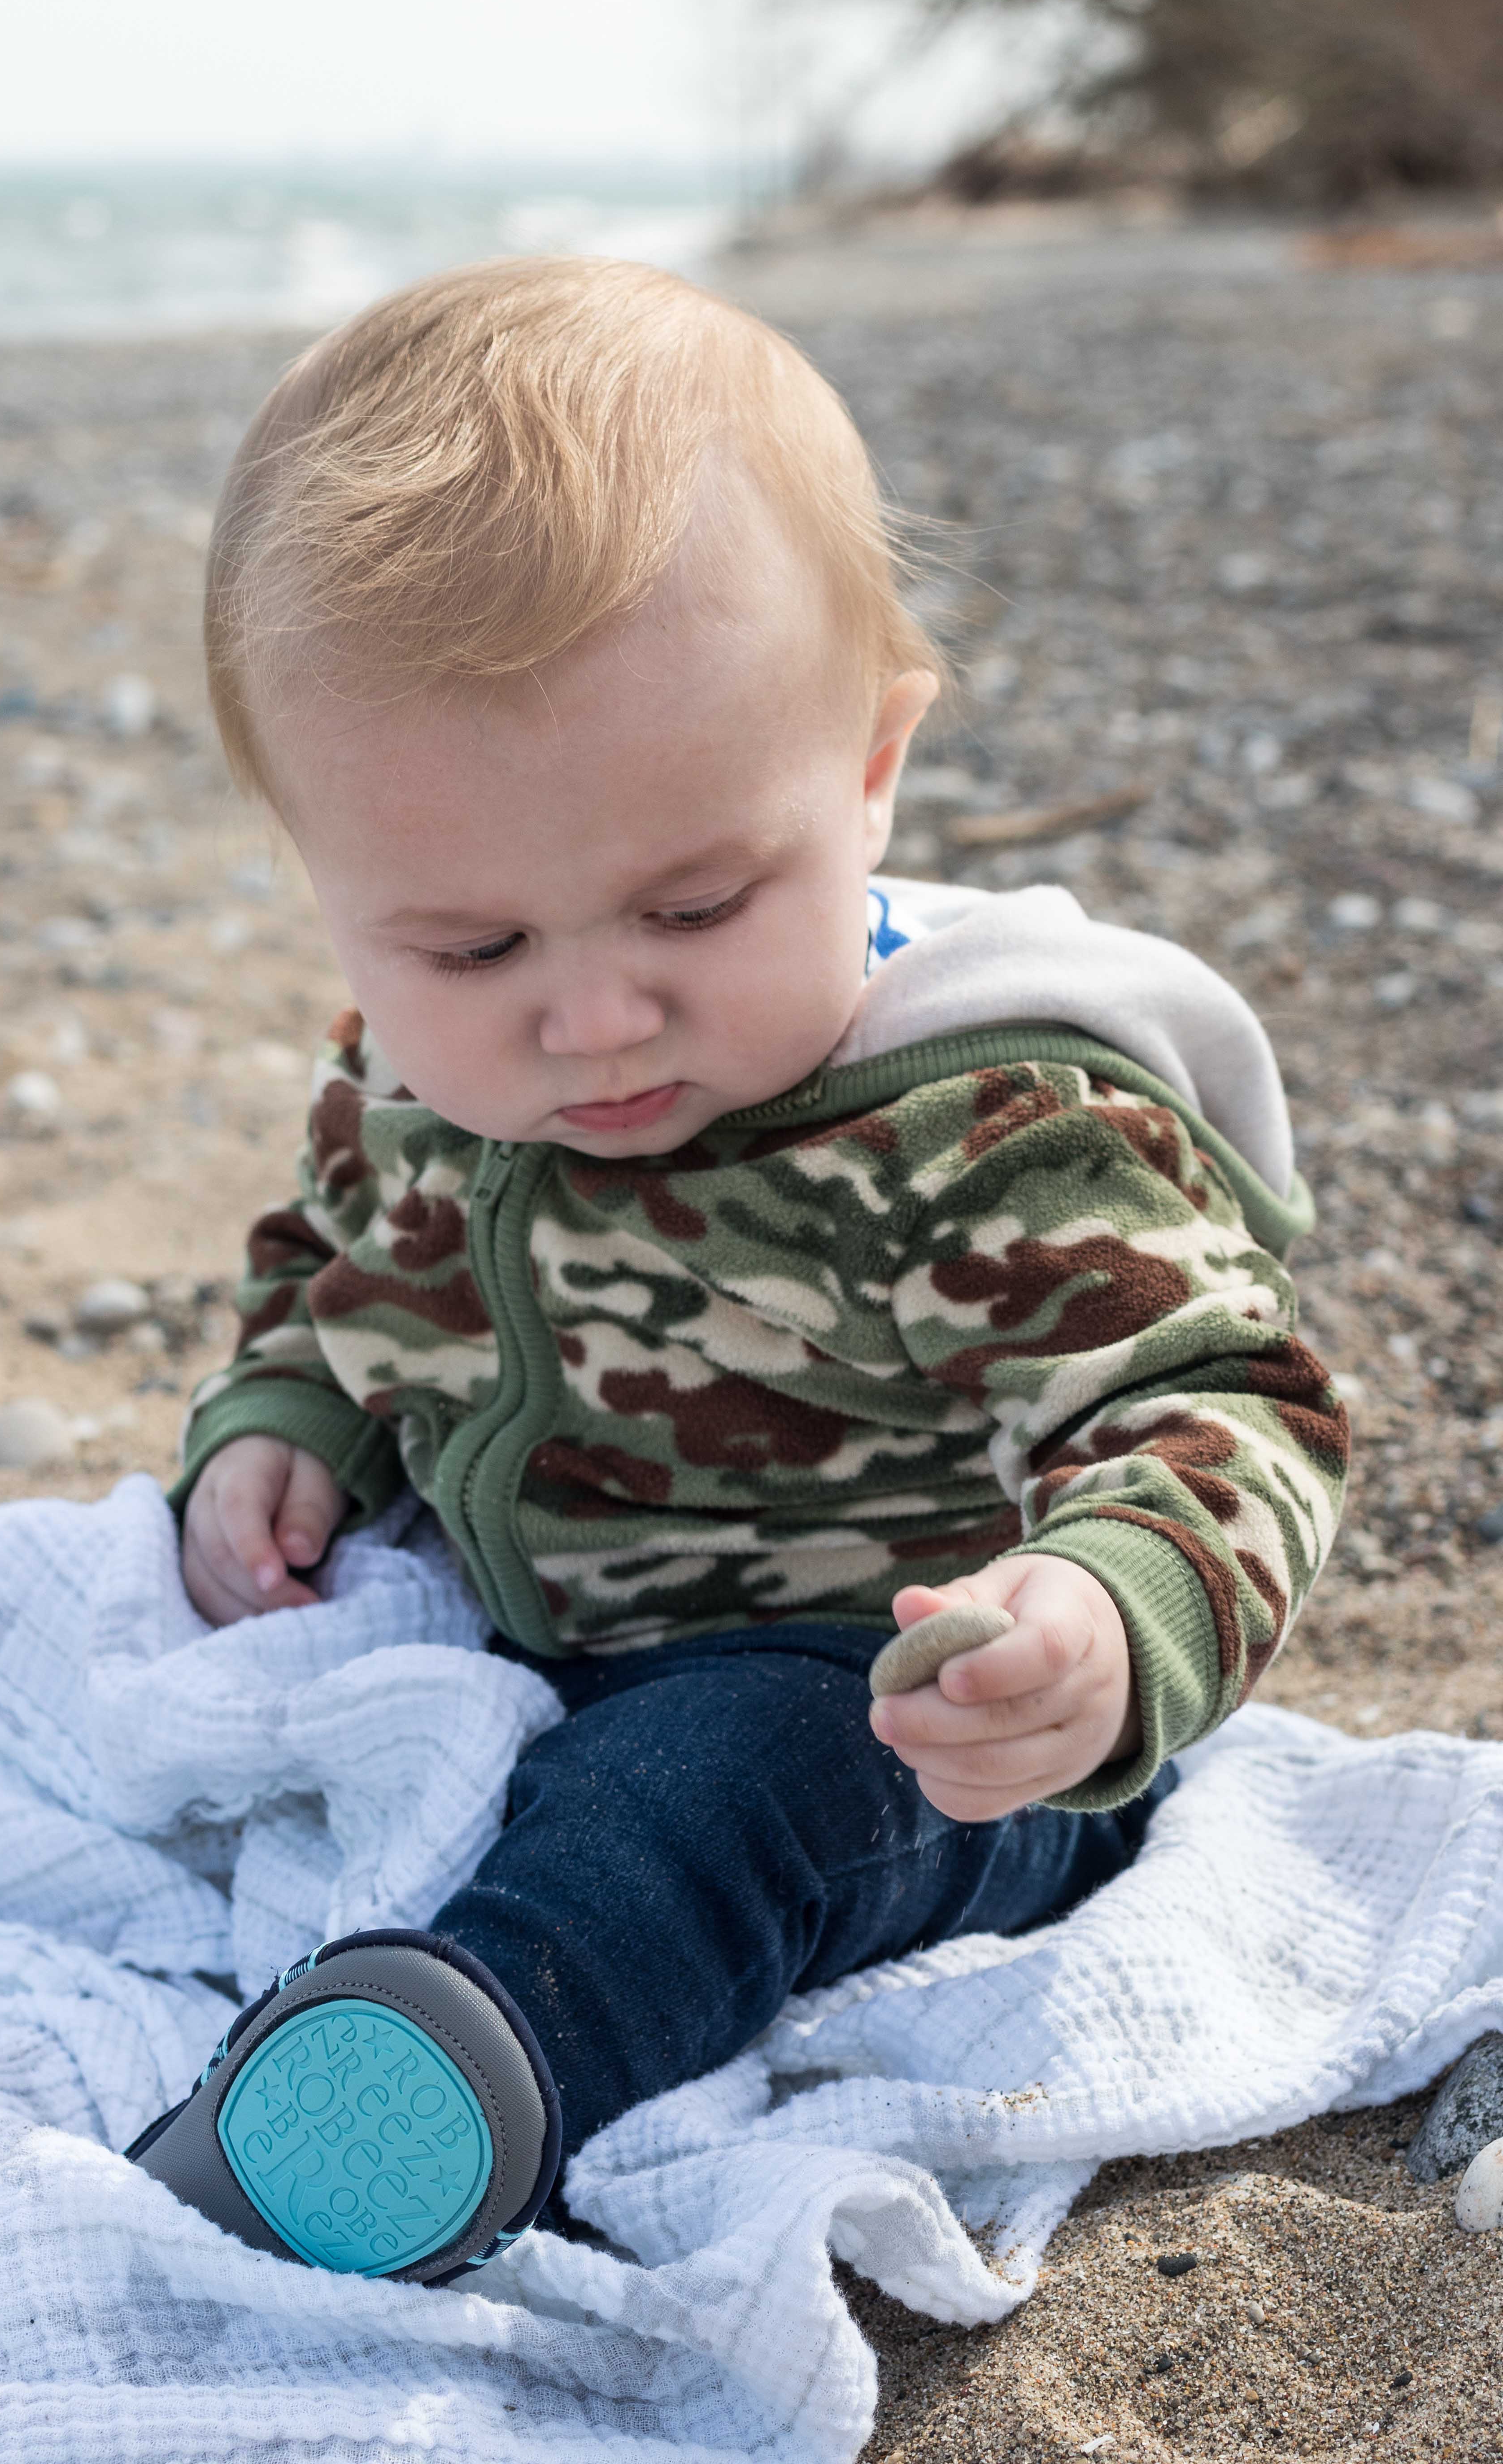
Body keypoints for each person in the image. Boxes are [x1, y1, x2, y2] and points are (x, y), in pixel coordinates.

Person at [126, 258, 1349, 2285]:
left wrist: (1100, 1621)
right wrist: (288, 1412)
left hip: (908, 1709)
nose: (593, 1020)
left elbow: (1226, 1405)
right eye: (471, 949)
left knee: (717, 1795)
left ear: (870, 770)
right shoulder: (418, 1081)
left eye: (694, 905)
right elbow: (335, 1254)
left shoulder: (980, 1125)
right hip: (544, 1627)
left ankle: (455, 2077)